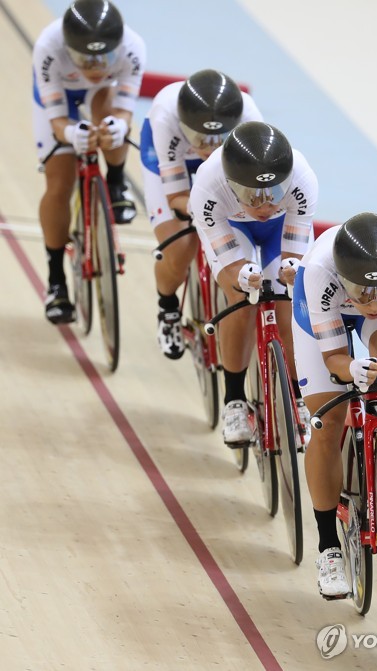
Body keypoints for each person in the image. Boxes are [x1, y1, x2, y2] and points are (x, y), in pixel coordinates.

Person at [291, 212, 377, 598]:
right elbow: (334, 357)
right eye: (364, 291)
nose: (373, 302)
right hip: (322, 308)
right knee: (327, 422)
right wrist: (350, 367)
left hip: (364, 305)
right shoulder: (321, 271)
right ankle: (328, 547)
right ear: (344, 276)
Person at [190, 121, 319, 446]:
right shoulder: (208, 186)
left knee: (290, 301)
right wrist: (243, 276)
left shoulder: (303, 179)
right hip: (233, 229)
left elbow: (294, 254)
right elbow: (231, 265)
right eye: (253, 196)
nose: (265, 206)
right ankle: (234, 400)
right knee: (241, 297)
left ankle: (298, 396)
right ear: (232, 185)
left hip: (281, 230)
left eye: (274, 193)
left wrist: (292, 270)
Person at [33, 0, 146, 324]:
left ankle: (115, 182)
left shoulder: (133, 47)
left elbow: (125, 111)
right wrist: (69, 132)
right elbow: (56, 121)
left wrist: (119, 127)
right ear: (70, 49)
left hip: (102, 92)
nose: (95, 65)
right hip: (59, 95)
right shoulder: (49, 47)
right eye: (85, 58)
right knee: (59, 182)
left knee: (111, 123)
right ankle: (56, 281)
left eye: (104, 57)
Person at [140, 69, 263, 359]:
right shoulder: (165, 116)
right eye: (201, 137)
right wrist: (201, 212)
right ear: (185, 126)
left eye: (218, 138)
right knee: (179, 246)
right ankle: (167, 308)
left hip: (227, 166)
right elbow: (176, 197)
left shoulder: (250, 118)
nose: (209, 147)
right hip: (175, 157)